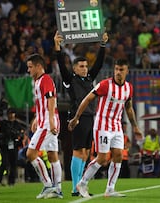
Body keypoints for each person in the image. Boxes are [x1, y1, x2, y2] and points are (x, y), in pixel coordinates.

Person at [68, 59, 142, 198]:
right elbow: (87, 99)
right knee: (102, 158)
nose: (118, 73)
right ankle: (82, 183)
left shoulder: (128, 88)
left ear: (127, 71)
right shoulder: (105, 85)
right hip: (102, 125)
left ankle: (110, 189)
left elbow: (129, 107)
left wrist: (135, 127)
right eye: (116, 69)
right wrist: (77, 117)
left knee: (118, 155)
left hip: (116, 126)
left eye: (121, 70)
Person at [54, 30, 109, 196]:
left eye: (86, 66)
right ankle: (74, 187)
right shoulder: (70, 79)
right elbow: (61, 65)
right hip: (77, 118)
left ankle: (80, 186)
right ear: (75, 68)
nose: (85, 69)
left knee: (85, 152)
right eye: (81, 66)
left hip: (89, 117)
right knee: (78, 151)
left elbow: (98, 64)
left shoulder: (88, 79)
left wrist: (103, 45)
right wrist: (58, 47)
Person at [25, 54, 63, 199]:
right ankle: (57, 188)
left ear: (38, 66)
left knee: (30, 154)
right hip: (44, 120)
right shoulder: (37, 81)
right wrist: (36, 118)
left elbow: (51, 98)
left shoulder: (45, 79)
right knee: (52, 155)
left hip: (48, 122)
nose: (28, 70)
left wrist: (51, 120)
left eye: (30, 67)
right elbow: (41, 103)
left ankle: (48, 185)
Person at [0, 108, 24, 186]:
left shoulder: (17, 124)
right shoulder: (4, 123)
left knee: (14, 164)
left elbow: (21, 135)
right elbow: (2, 133)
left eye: (12, 113)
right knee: (4, 163)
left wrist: (17, 136)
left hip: (14, 145)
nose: (11, 115)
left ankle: (11, 181)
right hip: (5, 145)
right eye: (10, 113)